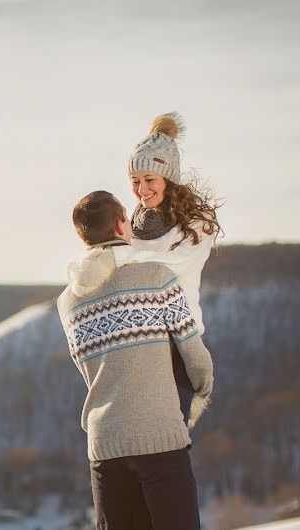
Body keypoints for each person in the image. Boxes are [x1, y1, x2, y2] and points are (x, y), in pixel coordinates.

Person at [56, 190, 214, 530]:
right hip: (157, 435)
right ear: (119, 224)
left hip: (104, 443)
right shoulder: (155, 277)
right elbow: (192, 349)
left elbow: (89, 366)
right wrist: (202, 387)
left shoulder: (67, 302)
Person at [125, 111, 222, 427]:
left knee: (170, 443)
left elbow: (162, 272)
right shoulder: (131, 227)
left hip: (178, 346)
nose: (142, 190)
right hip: (137, 344)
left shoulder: (197, 224)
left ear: (170, 178)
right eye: (135, 182)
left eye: (149, 180)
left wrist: (119, 261)